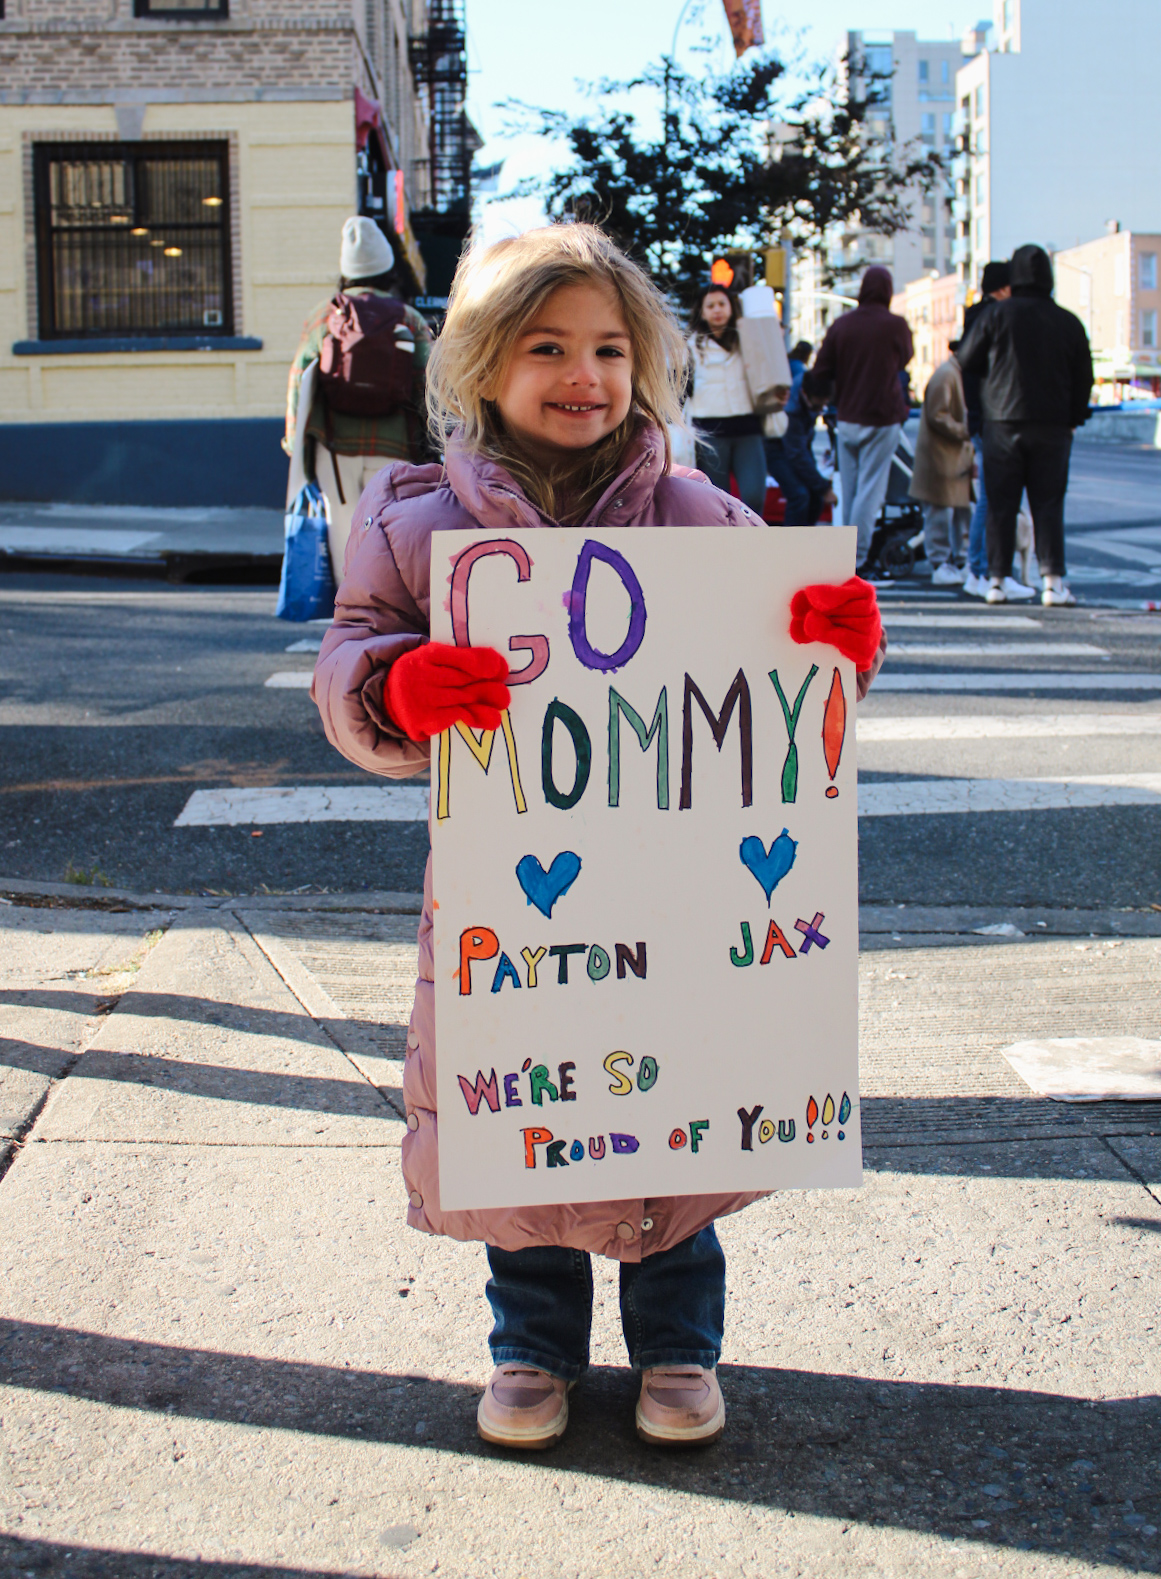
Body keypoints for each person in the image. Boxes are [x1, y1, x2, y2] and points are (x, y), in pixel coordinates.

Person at [312, 224, 887, 1454]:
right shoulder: (411, 518)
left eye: (611, 349)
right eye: (547, 347)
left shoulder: (700, 513)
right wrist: (397, 692)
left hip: (675, 895)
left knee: (673, 1120)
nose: (585, 375)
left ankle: (678, 1345)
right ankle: (532, 1349)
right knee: (525, 1125)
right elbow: (348, 655)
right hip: (510, 905)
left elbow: (786, 674)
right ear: (479, 366)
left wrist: (835, 641)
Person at [283, 216, 432, 587]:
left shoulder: (324, 315)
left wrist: (293, 443)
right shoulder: (408, 318)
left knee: (343, 543)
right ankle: (387, 627)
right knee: (390, 540)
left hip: (334, 450)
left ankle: (346, 627)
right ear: (386, 269)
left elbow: (299, 381)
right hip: (394, 448)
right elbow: (433, 386)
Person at [956, 243, 1094, 606]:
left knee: (1001, 504)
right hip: (1053, 426)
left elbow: (966, 359)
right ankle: (1053, 582)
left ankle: (997, 580)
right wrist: (1074, 417)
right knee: (1048, 504)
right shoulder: (1068, 322)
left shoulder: (997, 316)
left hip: (1001, 422)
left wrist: (985, 398)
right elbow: (1085, 377)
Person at [803, 266, 914, 569]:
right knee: (871, 489)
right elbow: (906, 357)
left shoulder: (842, 325)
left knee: (849, 489)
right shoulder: (896, 325)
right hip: (883, 416)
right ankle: (858, 556)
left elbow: (821, 369)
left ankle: (843, 555)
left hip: (848, 416)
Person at [960, 261, 1033, 601]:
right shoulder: (996, 319)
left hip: (980, 418)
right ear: (1004, 289)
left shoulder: (975, 318)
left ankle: (979, 568)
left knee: (989, 497)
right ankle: (980, 569)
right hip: (993, 420)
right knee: (992, 497)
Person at [687, 283, 767, 516]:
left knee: (754, 496)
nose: (717, 310)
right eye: (710, 305)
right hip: (710, 431)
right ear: (702, 312)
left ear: (732, 307)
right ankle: (722, 550)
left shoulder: (749, 340)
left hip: (748, 427)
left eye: (722, 303)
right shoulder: (690, 345)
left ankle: (752, 546)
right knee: (717, 502)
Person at [909, 345, 973, 585]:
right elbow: (939, 415)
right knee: (941, 512)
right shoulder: (947, 375)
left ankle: (956, 560)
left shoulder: (952, 373)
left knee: (955, 511)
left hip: (951, 456)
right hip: (941, 456)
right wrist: (965, 431)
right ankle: (941, 562)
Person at [764, 341, 837, 525]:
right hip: (773, 448)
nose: (819, 409)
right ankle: (790, 546)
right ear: (805, 394)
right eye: (817, 404)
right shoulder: (792, 409)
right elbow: (796, 453)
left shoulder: (809, 391)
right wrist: (823, 487)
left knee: (814, 497)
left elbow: (803, 448)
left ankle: (806, 541)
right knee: (799, 495)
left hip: (794, 447)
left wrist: (819, 488)